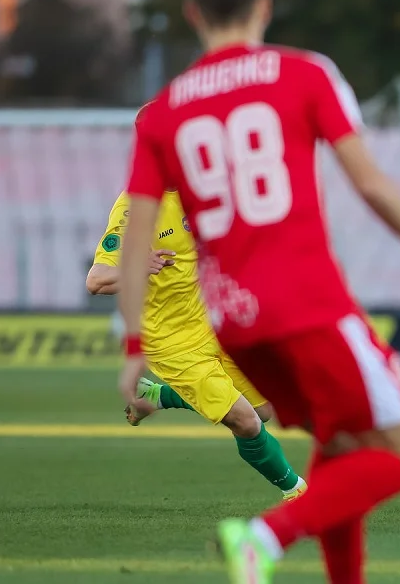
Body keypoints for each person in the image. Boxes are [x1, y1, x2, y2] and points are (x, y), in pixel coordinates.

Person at [112, 0, 400, 584]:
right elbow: (369, 183)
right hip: (307, 304)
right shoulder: (303, 74)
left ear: (192, 12)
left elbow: (135, 237)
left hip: (234, 324)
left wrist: (135, 345)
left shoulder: (163, 113)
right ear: (264, 6)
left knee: (342, 447)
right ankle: (264, 536)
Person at [88, 189, 306, 501]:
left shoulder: (198, 188)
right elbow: (96, 280)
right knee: (246, 422)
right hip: (171, 342)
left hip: (209, 324)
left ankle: (157, 396)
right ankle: (296, 491)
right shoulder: (135, 206)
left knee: (264, 409)